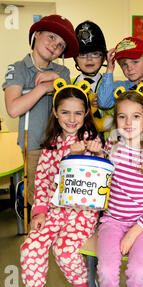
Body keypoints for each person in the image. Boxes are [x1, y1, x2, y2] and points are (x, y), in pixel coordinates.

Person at [20, 78, 103, 287]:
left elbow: (97, 179)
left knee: (64, 251)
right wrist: (39, 212)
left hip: (82, 212)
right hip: (53, 210)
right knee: (30, 247)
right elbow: (42, 181)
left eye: (78, 113)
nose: (72, 119)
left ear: (86, 113)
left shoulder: (91, 141)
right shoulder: (51, 144)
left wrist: (96, 154)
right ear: (56, 113)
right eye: (65, 112)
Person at [96, 83, 143, 287]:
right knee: (106, 272)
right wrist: (94, 155)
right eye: (122, 117)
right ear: (115, 121)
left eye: (135, 116)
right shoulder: (111, 150)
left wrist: (133, 232)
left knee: (137, 273)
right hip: (112, 222)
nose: (128, 123)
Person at [2, 14, 79, 206]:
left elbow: (70, 105)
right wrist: (43, 87)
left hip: (63, 145)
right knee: (39, 200)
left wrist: (55, 78)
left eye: (61, 45)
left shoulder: (62, 73)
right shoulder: (18, 68)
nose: (55, 45)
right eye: (51, 37)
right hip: (34, 146)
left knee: (63, 196)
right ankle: (38, 235)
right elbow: (13, 108)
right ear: (36, 34)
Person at [97, 36, 143, 144]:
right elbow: (103, 103)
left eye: (135, 62)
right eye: (124, 64)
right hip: (125, 150)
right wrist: (109, 69)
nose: (129, 68)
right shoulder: (119, 87)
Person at [73, 20, 114, 140]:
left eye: (95, 54)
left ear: (104, 58)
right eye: (82, 54)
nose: (89, 59)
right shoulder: (71, 85)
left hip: (106, 145)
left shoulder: (113, 85)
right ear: (75, 58)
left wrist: (105, 107)